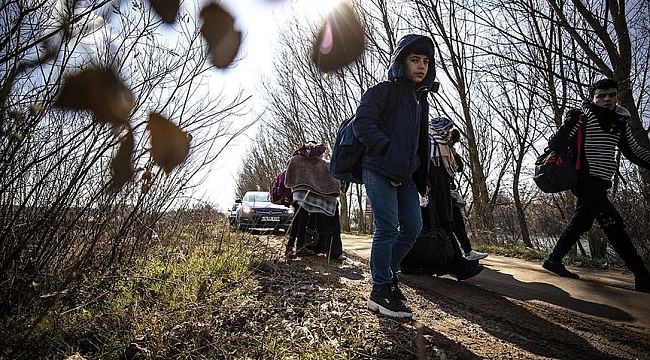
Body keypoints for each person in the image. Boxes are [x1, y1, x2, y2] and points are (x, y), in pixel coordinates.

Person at [353, 34, 435, 318]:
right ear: (401, 62)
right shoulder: (382, 91)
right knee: (387, 228)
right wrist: (387, 149)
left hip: (407, 175)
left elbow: (421, 143)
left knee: (412, 228)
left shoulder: (420, 100)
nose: (421, 66)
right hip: (378, 167)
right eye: (414, 60)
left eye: (425, 61)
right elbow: (362, 124)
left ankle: (387, 272)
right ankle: (380, 290)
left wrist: (422, 175)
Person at [542, 78, 650, 293]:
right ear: (593, 98)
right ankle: (642, 275)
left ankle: (554, 259)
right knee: (613, 223)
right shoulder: (581, 118)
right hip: (583, 179)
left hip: (601, 182)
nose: (607, 99)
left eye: (611, 95)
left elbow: (634, 152)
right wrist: (569, 122)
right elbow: (555, 144)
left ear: (617, 97)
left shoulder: (619, 123)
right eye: (601, 95)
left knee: (580, 222)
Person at [419, 117, 484, 279]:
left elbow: (456, 167)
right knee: (441, 228)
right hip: (432, 193)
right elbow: (422, 164)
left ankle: (450, 264)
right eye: (446, 129)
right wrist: (424, 183)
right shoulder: (428, 140)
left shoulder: (442, 145)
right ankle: (459, 267)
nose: (448, 133)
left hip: (443, 193)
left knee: (443, 227)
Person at [447, 128, 488, 261]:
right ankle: (462, 252)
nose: (452, 144)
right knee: (452, 223)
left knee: (457, 222)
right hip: (440, 192)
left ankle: (466, 251)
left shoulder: (449, 150)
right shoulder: (436, 147)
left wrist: (454, 154)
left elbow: (459, 167)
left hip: (449, 191)